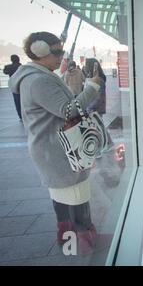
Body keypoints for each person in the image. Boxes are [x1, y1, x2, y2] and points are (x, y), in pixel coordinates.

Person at [8, 32, 105, 255]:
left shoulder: (37, 75)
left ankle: (68, 240)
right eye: (57, 51)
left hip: (52, 148)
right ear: (41, 51)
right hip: (58, 150)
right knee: (75, 195)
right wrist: (92, 87)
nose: (61, 56)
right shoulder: (39, 80)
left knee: (63, 196)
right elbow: (69, 110)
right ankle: (84, 242)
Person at [3, 55, 22, 120]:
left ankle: (20, 116)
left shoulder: (8, 67)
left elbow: (5, 72)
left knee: (17, 101)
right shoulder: (22, 66)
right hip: (22, 85)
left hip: (14, 85)